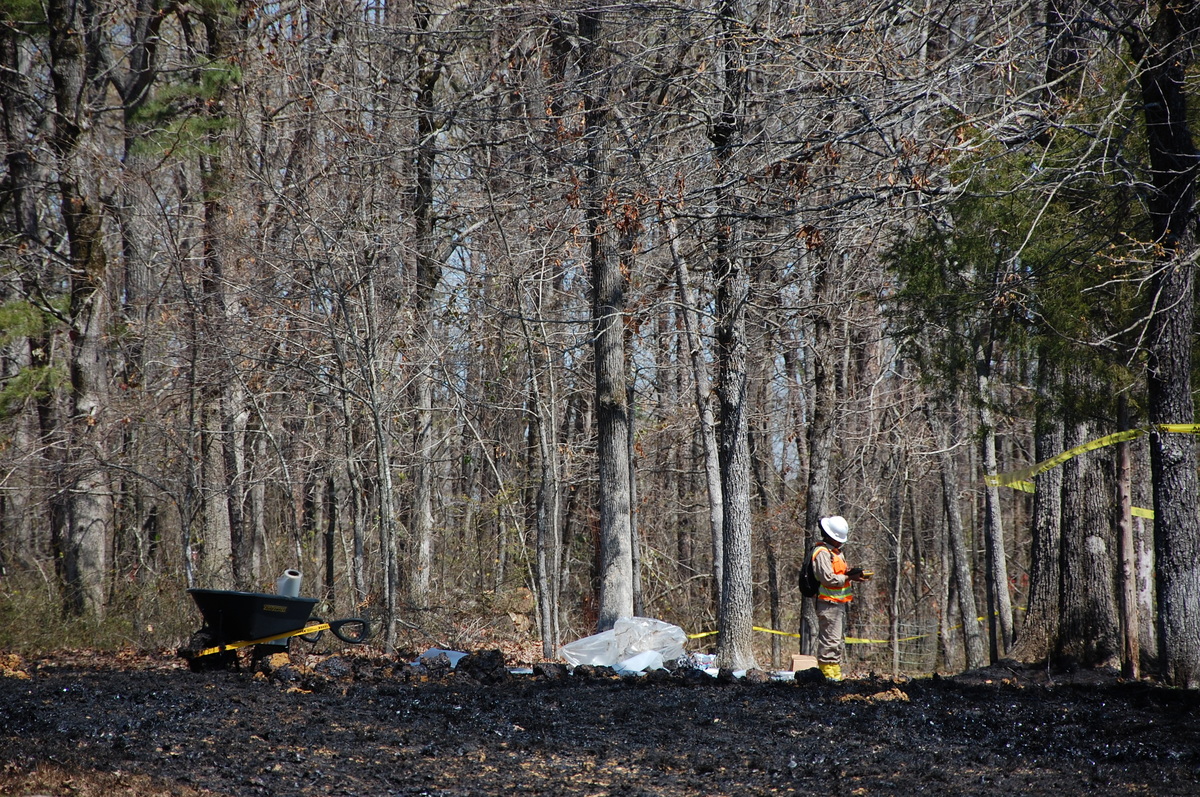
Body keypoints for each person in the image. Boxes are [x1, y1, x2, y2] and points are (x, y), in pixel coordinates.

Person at [810, 515, 870, 681]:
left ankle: (834, 672)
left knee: (836, 640)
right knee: (830, 640)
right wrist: (849, 578)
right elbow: (828, 579)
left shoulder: (834, 552)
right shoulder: (822, 553)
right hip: (827, 603)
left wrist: (851, 574)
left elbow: (837, 574)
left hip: (837, 603)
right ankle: (827, 674)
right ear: (830, 536)